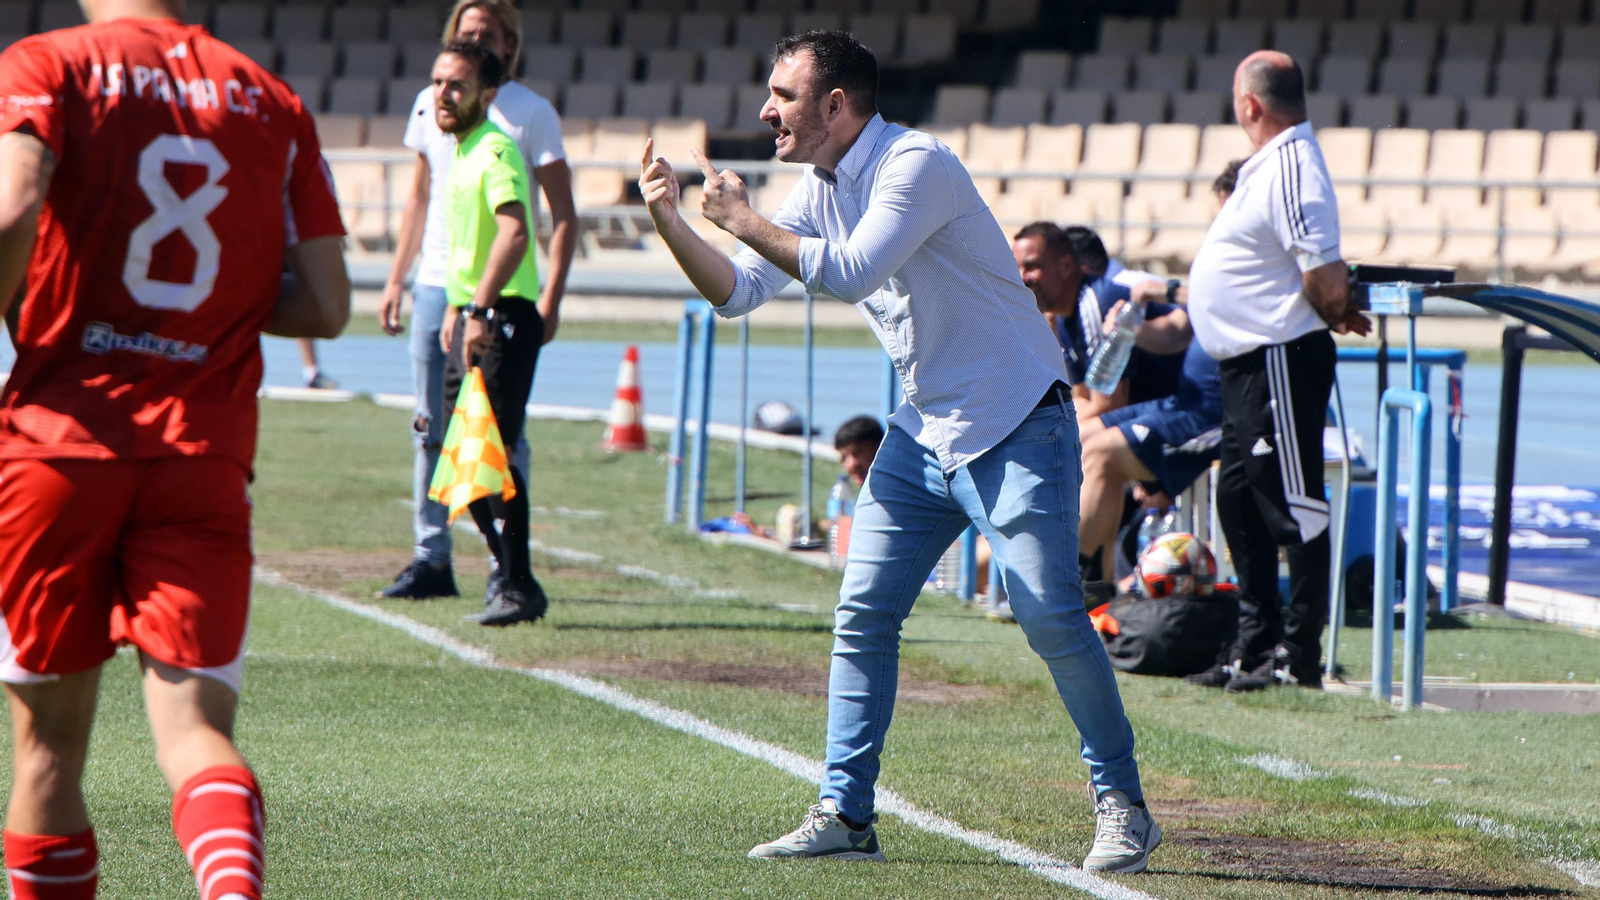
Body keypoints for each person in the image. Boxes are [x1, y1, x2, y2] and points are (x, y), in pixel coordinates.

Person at [640, 31, 1158, 872]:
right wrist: (669, 218)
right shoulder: (816, 185)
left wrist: (741, 216)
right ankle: (846, 812)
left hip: (1018, 422)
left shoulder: (918, 164)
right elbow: (736, 293)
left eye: (784, 94)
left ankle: (1124, 804)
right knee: (862, 615)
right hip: (924, 432)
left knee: (1051, 616)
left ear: (836, 105)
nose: (767, 110)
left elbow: (845, 273)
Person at [0, 1, 350, 896]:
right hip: (202, 450)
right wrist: (209, 306)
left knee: (46, 755)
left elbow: (15, 210)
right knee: (194, 731)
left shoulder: (47, 63)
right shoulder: (271, 100)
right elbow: (325, 305)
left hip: (60, 445)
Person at [377, 0, 576, 602]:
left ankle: (508, 571)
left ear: (507, 47)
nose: (476, 38)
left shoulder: (515, 123)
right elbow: (420, 198)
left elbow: (549, 218)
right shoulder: (440, 113)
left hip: (494, 294)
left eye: (488, 33)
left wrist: (544, 298)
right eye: (466, 31)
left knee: (493, 437)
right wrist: (399, 277)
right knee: (435, 430)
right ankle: (435, 555)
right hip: (448, 290)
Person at [1184, 51, 1370, 692]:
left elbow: (1321, 271)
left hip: (1279, 361)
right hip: (1247, 366)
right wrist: (1333, 307)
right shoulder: (1271, 165)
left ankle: (1298, 655)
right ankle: (1254, 647)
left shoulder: (1293, 163)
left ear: (1250, 105)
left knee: (1291, 506)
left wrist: (1334, 307)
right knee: (1238, 500)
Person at [1075, 166, 1247, 608]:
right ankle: (1102, 584)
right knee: (1079, 440)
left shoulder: (1257, 260)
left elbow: (1218, 298)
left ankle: (1083, 591)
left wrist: (1168, 288)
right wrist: (1134, 332)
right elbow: (1175, 332)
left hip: (1217, 413)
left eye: (1227, 213)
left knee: (1101, 454)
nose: (1219, 224)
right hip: (1183, 403)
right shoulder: (1218, 255)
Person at [430, 40, 549, 628]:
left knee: (488, 457)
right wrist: (458, 305)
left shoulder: (496, 148)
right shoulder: (463, 150)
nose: (442, 94)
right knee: (462, 459)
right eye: (438, 82)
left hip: (499, 319)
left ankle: (516, 581)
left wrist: (476, 309)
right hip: (475, 315)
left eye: (456, 84)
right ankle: (511, 576)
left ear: (488, 93)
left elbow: (515, 233)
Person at [1011, 222, 1185, 421]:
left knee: (1075, 442)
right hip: (1145, 414)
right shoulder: (1065, 314)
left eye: (1031, 266)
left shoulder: (1095, 304)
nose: (1022, 278)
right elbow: (1084, 397)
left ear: (1066, 266)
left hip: (1181, 410)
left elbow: (1108, 406)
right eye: (1017, 268)